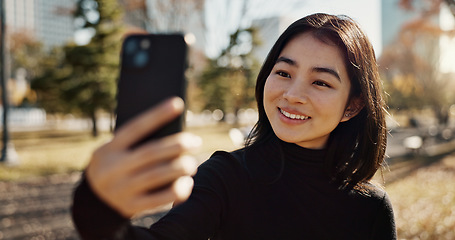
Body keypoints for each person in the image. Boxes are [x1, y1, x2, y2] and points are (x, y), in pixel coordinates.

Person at [72, 13, 397, 239]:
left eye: (321, 82)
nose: (292, 94)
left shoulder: (371, 208)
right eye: (283, 73)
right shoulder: (223, 177)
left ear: (352, 106)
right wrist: (99, 212)